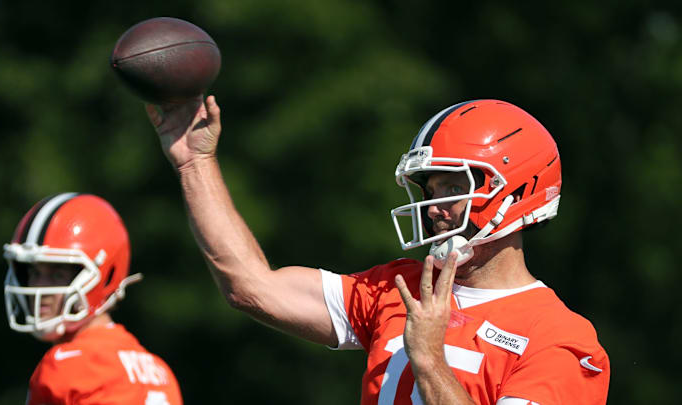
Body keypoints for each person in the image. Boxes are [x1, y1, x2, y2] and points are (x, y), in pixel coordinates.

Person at [146, 97, 610, 404]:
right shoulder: (401, 287)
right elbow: (251, 286)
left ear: (517, 191)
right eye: (430, 189)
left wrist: (430, 360)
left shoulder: (561, 339)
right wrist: (194, 162)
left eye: (453, 188)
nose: (432, 209)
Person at [3, 193, 183, 405]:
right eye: (34, 273)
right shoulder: (159, 371)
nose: (39, 288)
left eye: (57, 275)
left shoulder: (66, 366)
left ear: (104, 275)